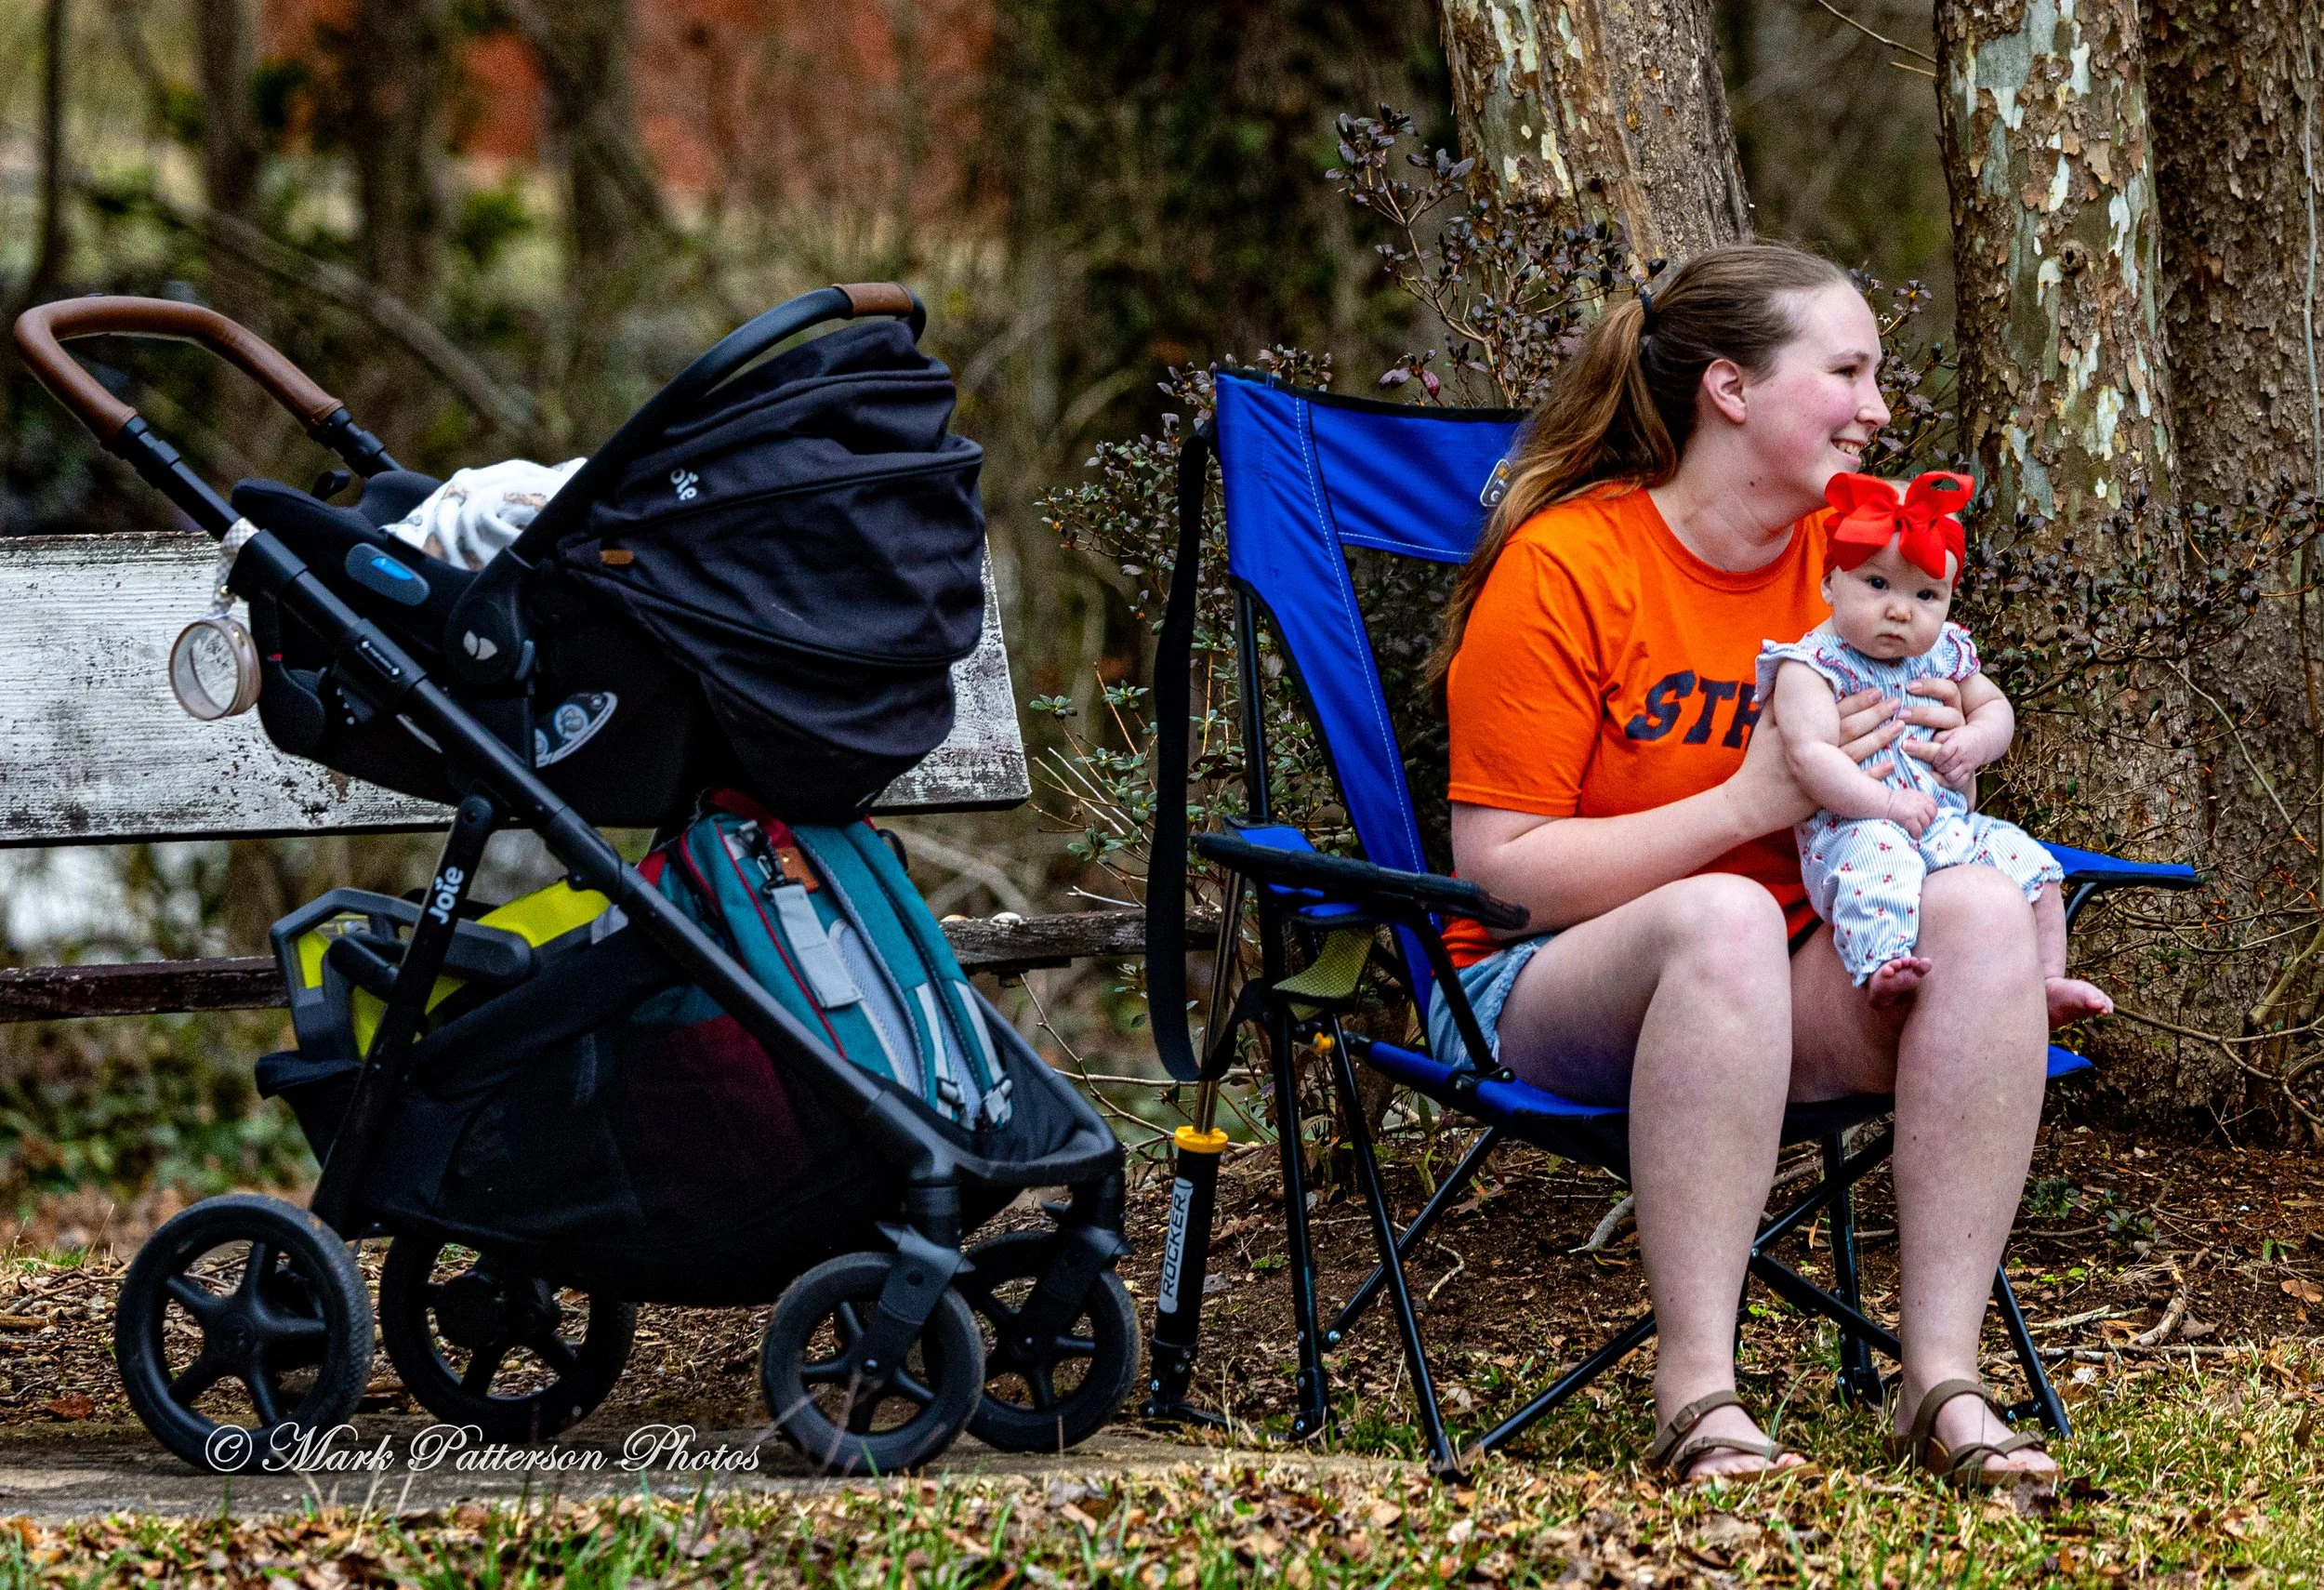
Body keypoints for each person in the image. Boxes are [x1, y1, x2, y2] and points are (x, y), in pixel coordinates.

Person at [1426, 242, 2065, 1487]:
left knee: (1983, 911)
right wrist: (1744, 802)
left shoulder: (1858, 569)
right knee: (1719, 914)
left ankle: (1943, 1383)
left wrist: (1964, 747)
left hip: (1792, 978)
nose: (1880, 408)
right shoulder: (1570, 565)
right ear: (1730, 387)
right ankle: (1697, 1393)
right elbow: (1500, 876)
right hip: (1541, 980)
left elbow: (1933, 759)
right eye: (1848, 370)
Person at [1757, 470, 2112, 1023]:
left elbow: (1996, 709)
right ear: (1830, 582)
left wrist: (1974, 742)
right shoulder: (1809, 665)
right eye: (1877, 584)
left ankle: (2045, 983)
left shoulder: (1945, 652)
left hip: (1947, 824)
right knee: (1879, 871)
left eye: (1926, 594)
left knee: (2032, 867)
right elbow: (1809, 757)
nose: (1901, 610)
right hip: (1854, 826)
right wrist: (1887, 806)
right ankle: (1884, 969)